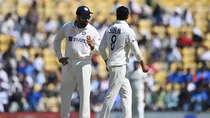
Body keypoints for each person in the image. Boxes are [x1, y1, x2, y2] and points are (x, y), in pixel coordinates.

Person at [99, 6, 149, 118]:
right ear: (128, 16)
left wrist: (107, 61)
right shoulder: (128, 31)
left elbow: (101, 48)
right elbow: (136, 50)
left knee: (127, 93)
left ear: (116, 15)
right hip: (119, 65)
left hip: (116, 64)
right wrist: (143, 64)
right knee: (111, 94)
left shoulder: (109, 29)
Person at [53, 6, 100, 118]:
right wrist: (59, 56)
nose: (87, 20)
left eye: (88, 17)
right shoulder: (68, 27)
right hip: (68, 63)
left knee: (84, 95)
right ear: (78, 17)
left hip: (84, 63)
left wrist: (92, 46)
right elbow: (57, 40)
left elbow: (100, 50)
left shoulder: (92, 31)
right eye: (84, 17)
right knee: (65, 94)